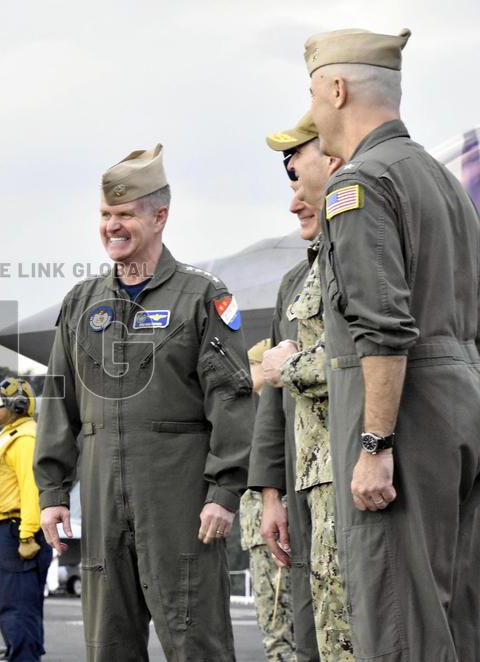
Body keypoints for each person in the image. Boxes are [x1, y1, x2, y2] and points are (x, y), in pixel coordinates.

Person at [35, 145, 254, 661]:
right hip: (102, 497)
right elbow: (58, 398)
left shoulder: (204, 297)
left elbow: (232, 397)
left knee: (196, 640)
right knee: (108, 645)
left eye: (125, 214)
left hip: (180, 501)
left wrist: (224, 492)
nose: (113, 225)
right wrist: (51, 490)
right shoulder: (81, 302)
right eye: (106, 215)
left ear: (160, 216)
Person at [304, 28, 480, 660]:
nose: (314, 112)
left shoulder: (360, 184)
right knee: (456, 616)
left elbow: (382, 326)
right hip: (459, 407)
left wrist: (375, 443)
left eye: (314, 93)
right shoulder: (442, 182)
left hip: (404, 423)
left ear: (337, 87)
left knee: (399, 619)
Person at [261, 114, 354, 659]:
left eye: (298, 179)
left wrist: (293, 366)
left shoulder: (360, 254)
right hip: (303, 484)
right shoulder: (294, 281)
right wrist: (270, 492)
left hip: (349, 472)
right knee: (312, 625)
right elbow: (273, 406)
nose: (293, 199)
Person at [0, 377, 53, 662]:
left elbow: (32, 489)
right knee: (17, 604)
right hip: (6, 530)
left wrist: (27, 535)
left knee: (17, 606)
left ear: (16, 405)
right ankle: (21, 652)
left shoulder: (24, 438)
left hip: (16, 530)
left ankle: (23, 656)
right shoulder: (12, 434)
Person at [239, 338, 295, 662]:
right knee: (275, 631)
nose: (246, 373)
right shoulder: (254, 410)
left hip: (276, 530)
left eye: (252, 365)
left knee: (280, 630)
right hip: (260, 532)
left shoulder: (277, 414)